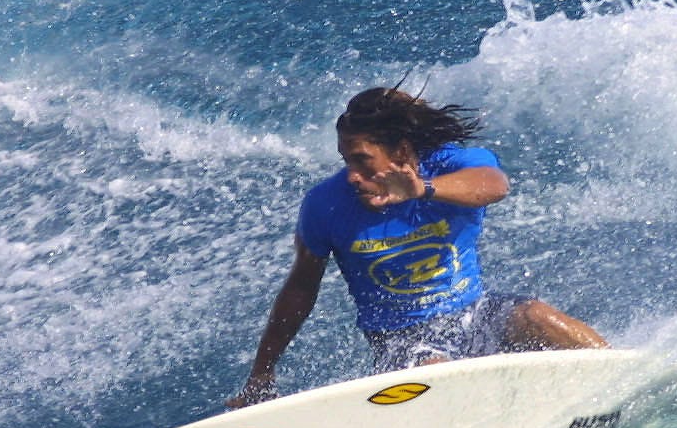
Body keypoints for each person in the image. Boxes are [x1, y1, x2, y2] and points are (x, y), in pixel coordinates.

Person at [228, 87, 606, 407]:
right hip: (402, 341)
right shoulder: (325, 204)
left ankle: (614, 382)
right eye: (346, 161)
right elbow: (300, 289)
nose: (353, 176)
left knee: (537, 316)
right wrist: (263, 371)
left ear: (401, 153)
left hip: (476, 313)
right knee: (435, 372)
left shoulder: (450, 167)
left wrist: (421, 190)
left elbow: (494, 186)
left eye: (363, 161)